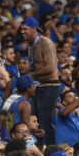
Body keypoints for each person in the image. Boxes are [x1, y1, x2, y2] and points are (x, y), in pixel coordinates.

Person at [21, 16, 60, 145]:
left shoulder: (45, 43)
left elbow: (51, 67)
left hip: (49, 86)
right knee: (38, 120)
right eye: (21, 29)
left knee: (44, 121)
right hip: (40, 86)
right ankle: (40, 147)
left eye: (25, 29)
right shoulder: (31, 46)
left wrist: (30, 76)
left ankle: (50, 148)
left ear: (34, 30)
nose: (22, 32)